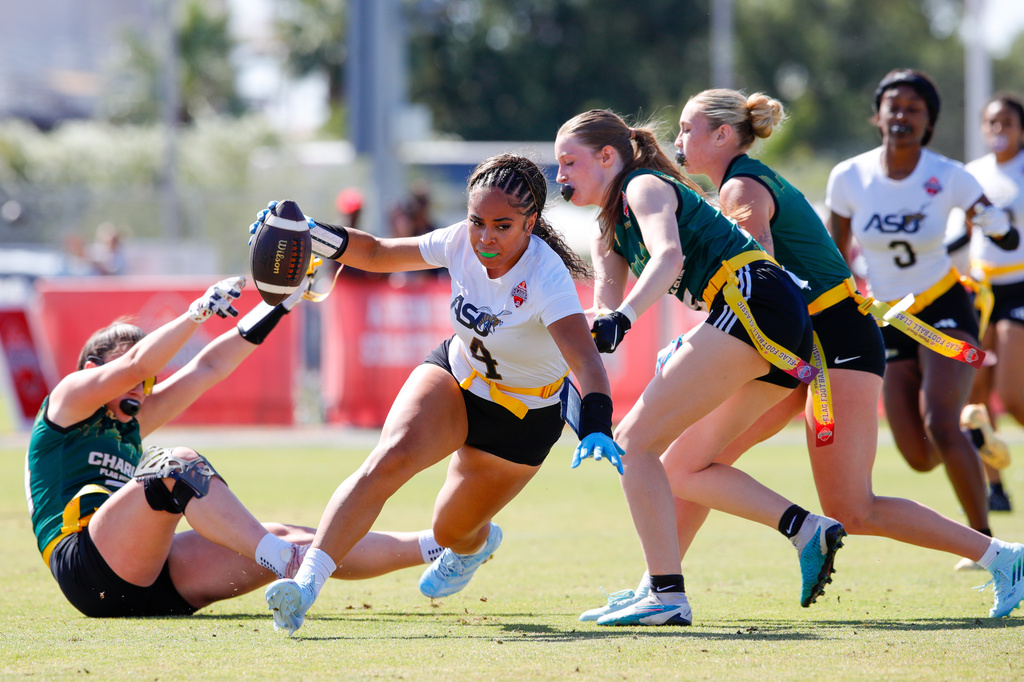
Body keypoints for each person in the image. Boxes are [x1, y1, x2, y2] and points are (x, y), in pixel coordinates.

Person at [580, 89, 1024, 623]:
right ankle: (660, 587)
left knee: (851, 508)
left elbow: (756, 265)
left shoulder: (742, 185)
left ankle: (1004, 558)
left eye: (687, 128)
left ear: (723, 135)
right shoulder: (723, 186)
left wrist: (700, 335)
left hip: (833, 340)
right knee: (688, 464)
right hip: (790, 346)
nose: (677, 140)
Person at [256, 153, 622, 636]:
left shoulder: (546, 275)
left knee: (453, 531)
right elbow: (381, 254)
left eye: (503, 225)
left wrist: (596, 422)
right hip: (456, 375)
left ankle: (476, 545)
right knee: (387, 460)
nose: (486, 237)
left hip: (522, 416)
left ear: (531, 223)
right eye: (477, 222)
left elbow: (586, 361)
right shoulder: (459, 241)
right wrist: (312, 232)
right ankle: (303, 588)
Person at [554, 109, 847, 627]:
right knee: (680, 467)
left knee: (633, 440)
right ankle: (805, 529)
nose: (560, 177)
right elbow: (604, 304)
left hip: (755, 302)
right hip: (773, 316)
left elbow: (667, 257)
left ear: (607, 157)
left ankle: (666, 595)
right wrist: (587, 324)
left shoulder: (642, 186)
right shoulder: (607, 229)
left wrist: (623, 318)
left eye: (568, 162)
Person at [25, 276, 435, 617]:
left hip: (144, 577)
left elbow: (208, 367)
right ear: (95, 372)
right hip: (86, 570)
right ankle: (283, 562)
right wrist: (196, 312)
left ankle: (440, 545)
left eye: (144, 385)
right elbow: (139, 365)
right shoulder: (67, 403)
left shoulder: (130, 420)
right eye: (127, 374)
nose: (141, 388)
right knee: (174, 465)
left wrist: (279, 303)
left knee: (293, 538)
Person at [826, 70, 1022, 574]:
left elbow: (989, 221)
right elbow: (833, 253)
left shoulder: (949, 174)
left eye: (914, 108)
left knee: (937, 417)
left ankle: (986, 543)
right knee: (919, 453)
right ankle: (971, 430)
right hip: (888, 319)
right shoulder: (849, 176)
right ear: (877, 116)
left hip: (944, 309)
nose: (902, 115)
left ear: (929, 121)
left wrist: (996, 224)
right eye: (893, 106)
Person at [960, 93, 1024, 514]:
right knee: (976, 395)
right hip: (979, 288)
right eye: (991, 123)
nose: (998, 131)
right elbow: (959, 232)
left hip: (1020, 287)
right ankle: (995, 486)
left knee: (1012, 394)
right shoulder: (971, 173)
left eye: (1006, 123)